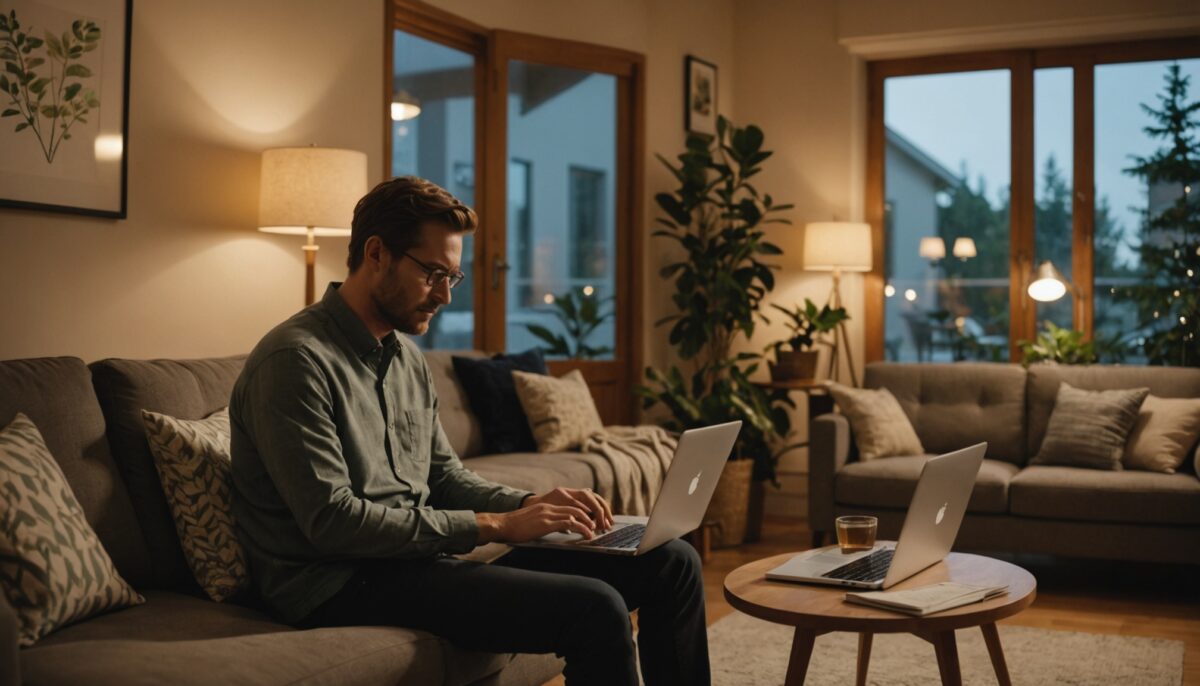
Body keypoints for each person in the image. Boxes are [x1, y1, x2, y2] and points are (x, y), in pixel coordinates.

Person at [229, 176, 709, 686]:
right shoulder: (295, 361)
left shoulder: (406, 360)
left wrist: (531, 506)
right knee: (597, 609)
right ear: (376, 254)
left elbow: (444, 477)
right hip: (336, 581)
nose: (443, 295)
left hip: (414, 559)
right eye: (433, 273)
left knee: (672, 561)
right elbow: (333, 522)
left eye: (452, 277)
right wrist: (497, 525)